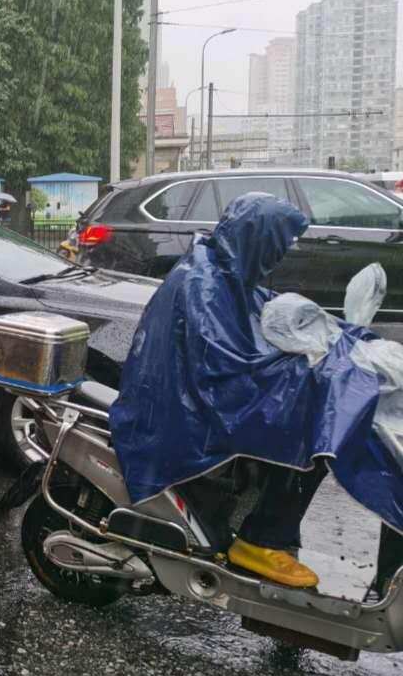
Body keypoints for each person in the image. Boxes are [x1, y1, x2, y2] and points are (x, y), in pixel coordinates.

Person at [110, 193, 387, 589]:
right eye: (278, 245)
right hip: (185, 413)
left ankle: (275, 527)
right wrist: (304, 368)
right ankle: (262, 539)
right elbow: (225, 364)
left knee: (316, 405)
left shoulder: (226, 268)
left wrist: (340, 332)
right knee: (321, 429)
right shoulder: (202, 283)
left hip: (200, 398)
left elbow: (270, 313)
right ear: (258, 238)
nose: (279, 257)